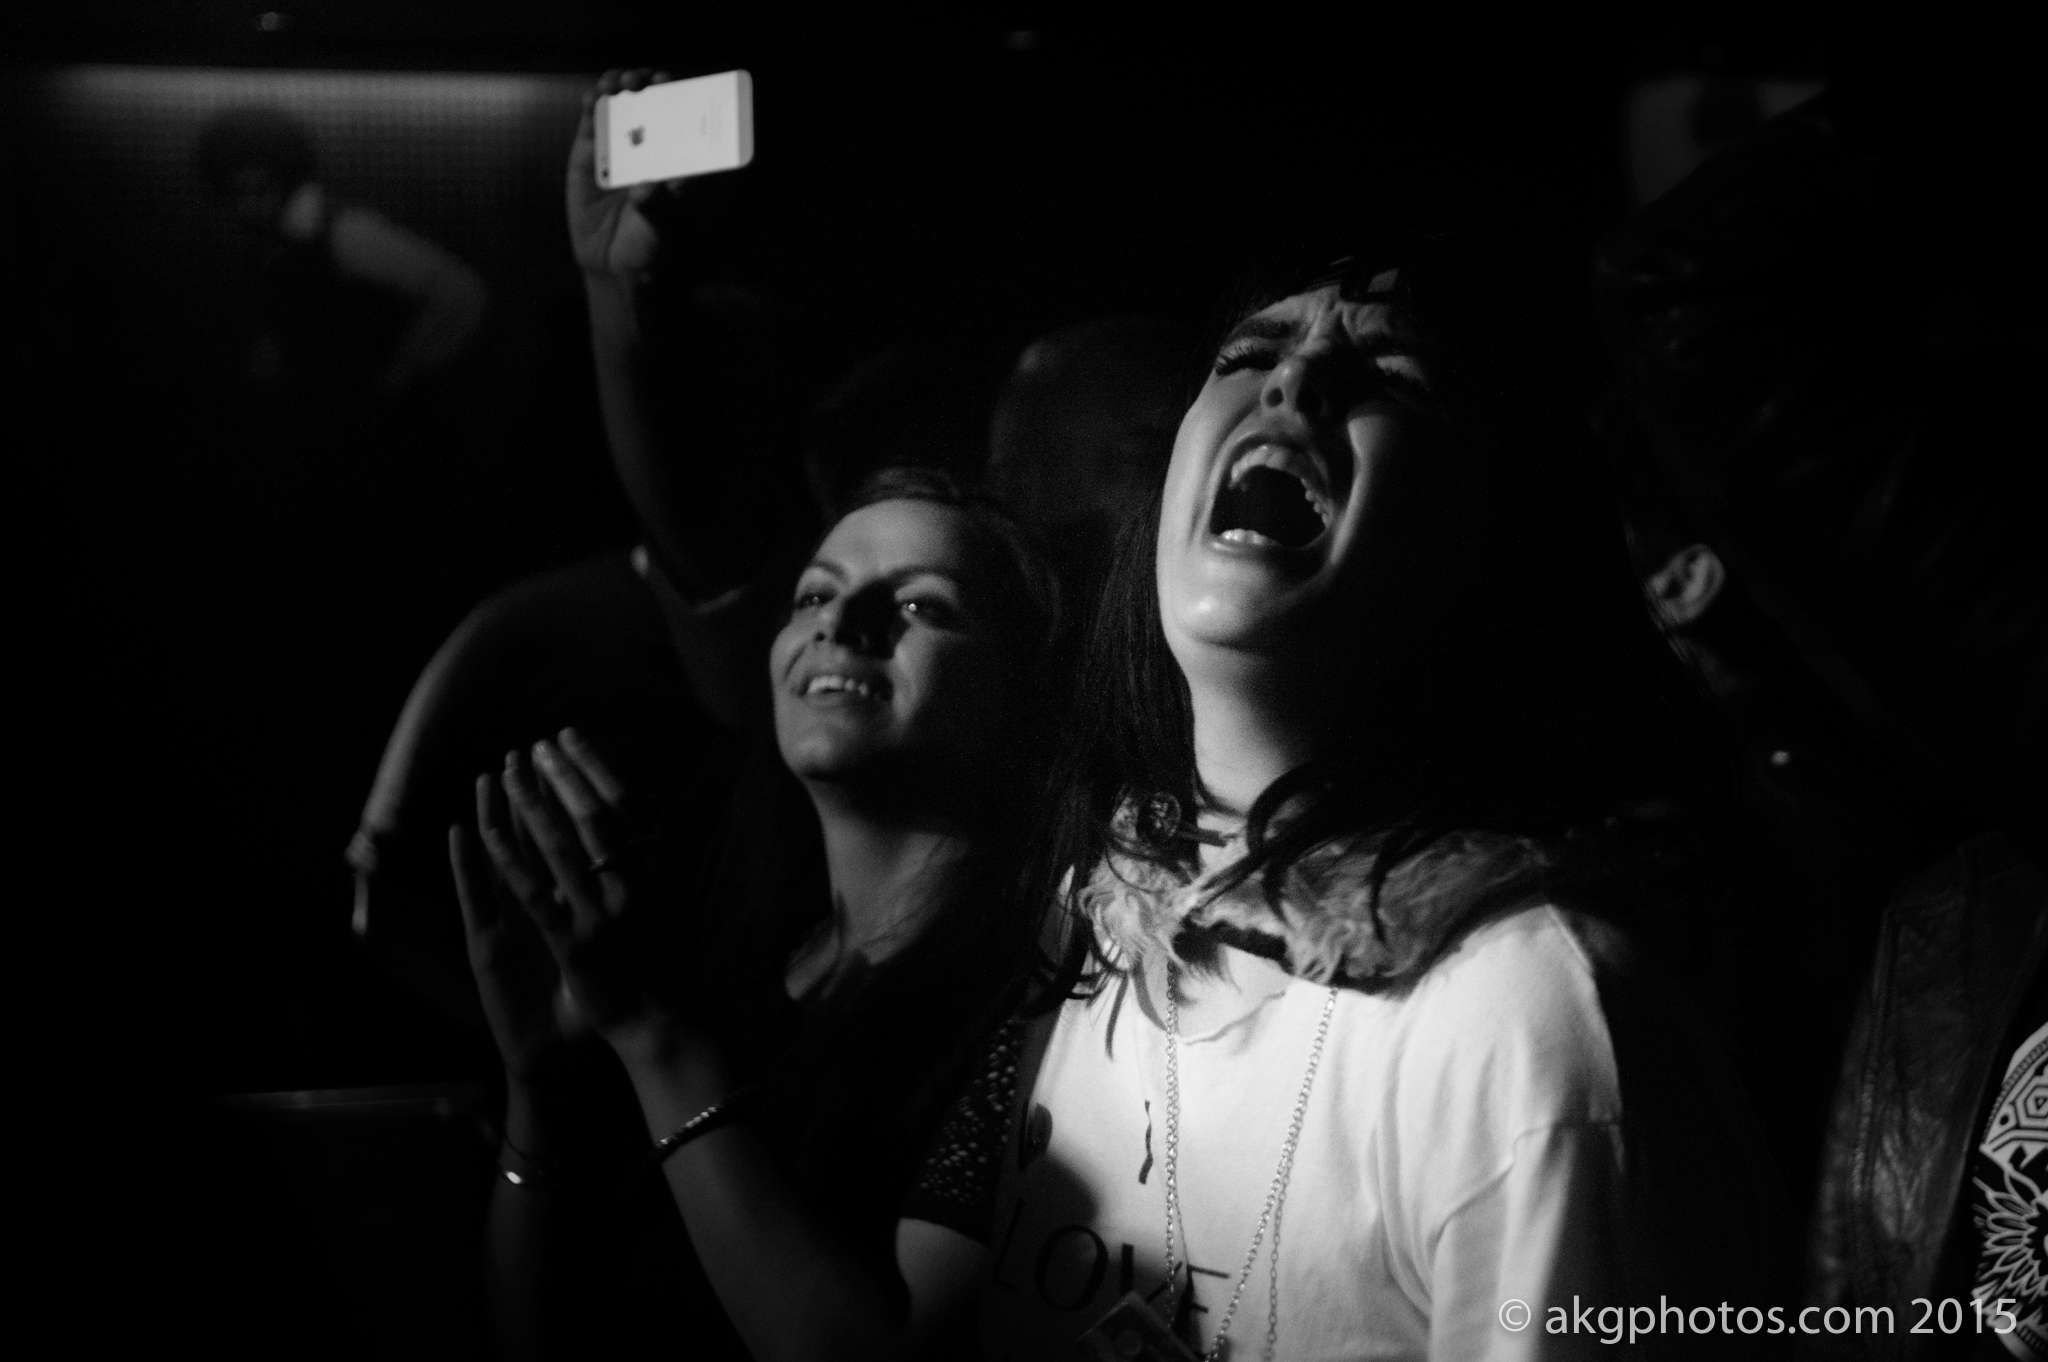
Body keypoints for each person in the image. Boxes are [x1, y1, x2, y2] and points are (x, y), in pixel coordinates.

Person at [462, 233, 1778, 1360]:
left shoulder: (1530, 1020)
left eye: (1390, 378)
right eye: (1248, 353)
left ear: (1490, 545)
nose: (1295, 378)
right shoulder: (1099, 930)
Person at [196, 105, 487, 401]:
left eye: (258, 189)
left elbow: (460, 292)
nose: (244, 208)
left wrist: (403, 369)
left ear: (286, 177)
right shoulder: (276, 242)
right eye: (233, 194)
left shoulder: (346, 232)